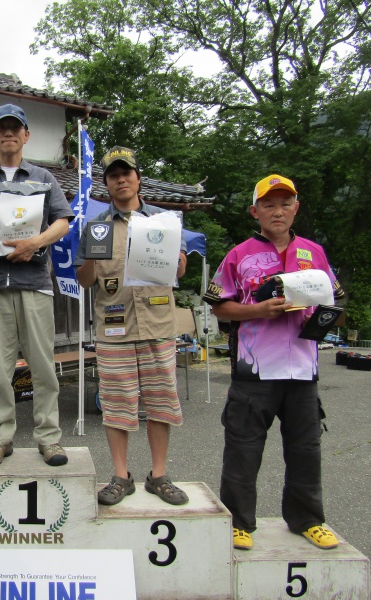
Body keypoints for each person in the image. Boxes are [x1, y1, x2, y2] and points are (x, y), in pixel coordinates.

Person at [203, 174, 346, 551]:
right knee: (243, 448)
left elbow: (338, 306)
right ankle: (237, 523)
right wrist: (259, 310)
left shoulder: (315, 253)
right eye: (268, 204)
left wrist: (325, 317)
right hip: (255, 369)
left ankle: (307, 520)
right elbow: (219, 306)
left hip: (303, 369)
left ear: (296, 208)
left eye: (285, 203)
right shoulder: (239, 254)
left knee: (305, 449)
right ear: (255, 211)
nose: (277, 211)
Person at [75, 146, 189, 506]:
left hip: (157, 325)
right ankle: (120, 476)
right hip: (114, 329)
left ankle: (159, 475)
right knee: (117, 403)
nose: (121, 179)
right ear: (106, 184)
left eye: (127, 173)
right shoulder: (95, 228)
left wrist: (174, 255)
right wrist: (92, 258)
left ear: (138, 178)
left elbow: (181, 270)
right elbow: (83, 280)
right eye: (113, 175)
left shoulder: (164, 221)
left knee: (160, 401)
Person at [0, 103, 74, 468]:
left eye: (16, 128)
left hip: (34, 281)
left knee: (42, 365)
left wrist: (35, 243)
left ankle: (49, 438)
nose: (8, 133)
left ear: (26, 135)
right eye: (2, 128)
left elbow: (63, 222)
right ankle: (1, 439)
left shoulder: (44, 178)